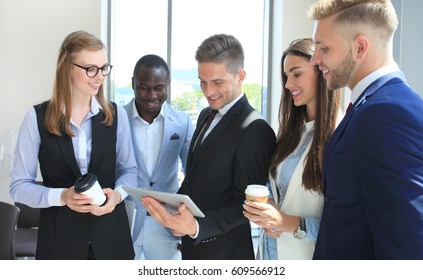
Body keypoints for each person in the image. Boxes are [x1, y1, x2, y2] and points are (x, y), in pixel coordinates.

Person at [142, 34, 276, 260]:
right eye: (202, 81)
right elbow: (195, 178)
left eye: (217, 82)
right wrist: (172, 207)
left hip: (226, 254)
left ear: (240, 76)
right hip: (193, 248)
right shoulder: (205, 115)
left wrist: (195, 227)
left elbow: (245, 205)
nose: (208, 91)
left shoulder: (256, 129)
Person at [308, 0, 423, 259]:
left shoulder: (384, 114)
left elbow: (407, 250)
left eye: (323, 48)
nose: (315, 60)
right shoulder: (374, 106)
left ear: (359, 47)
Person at [9, 30, 137, 260]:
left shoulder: (116, 115)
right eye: (90, 68)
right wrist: (62, 197)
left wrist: (117, 196)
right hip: (59, 242)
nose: (99, 76)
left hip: (112, 240)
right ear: (67, 66)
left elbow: (129, 171)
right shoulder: (36, 117)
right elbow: (18, 187)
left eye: (104, 68)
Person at [243, 38, 341, 260]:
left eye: (296, 74)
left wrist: (287, 222)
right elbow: (279, 187)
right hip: (269, 255)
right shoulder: (291, 133)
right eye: (286, 77)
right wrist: (266, 206)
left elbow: (341, 224)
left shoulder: (339, 136)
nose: (287, 85)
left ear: (322, 70)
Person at [123, 54, 194, 260]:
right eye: (143, 87)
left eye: (159, 88)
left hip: (167, 222)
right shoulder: (116, 118)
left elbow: (192, 174)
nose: (151, 95)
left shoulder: (182, 122)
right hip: (126, 219)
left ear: (168, 85)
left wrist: (186, 218)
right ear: (133, 84)